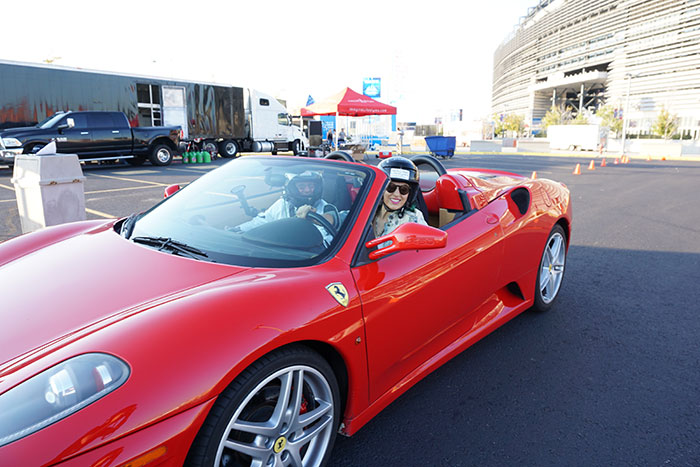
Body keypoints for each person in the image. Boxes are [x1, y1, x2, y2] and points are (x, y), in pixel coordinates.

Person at [237, 171, 339, 244]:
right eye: (302, 187)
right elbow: (263, 221)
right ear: (292, 188)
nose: (308, 190)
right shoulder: (282, 204)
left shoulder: (324, 208)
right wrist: (238, 229)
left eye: (311, 186)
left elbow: (324, 238)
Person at [372, 156, 427, 246]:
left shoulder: (414, 219)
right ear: (381, 189)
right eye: (391, 187)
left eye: (404, 189)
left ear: (410, 194)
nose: (397, 194)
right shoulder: (368, 212)